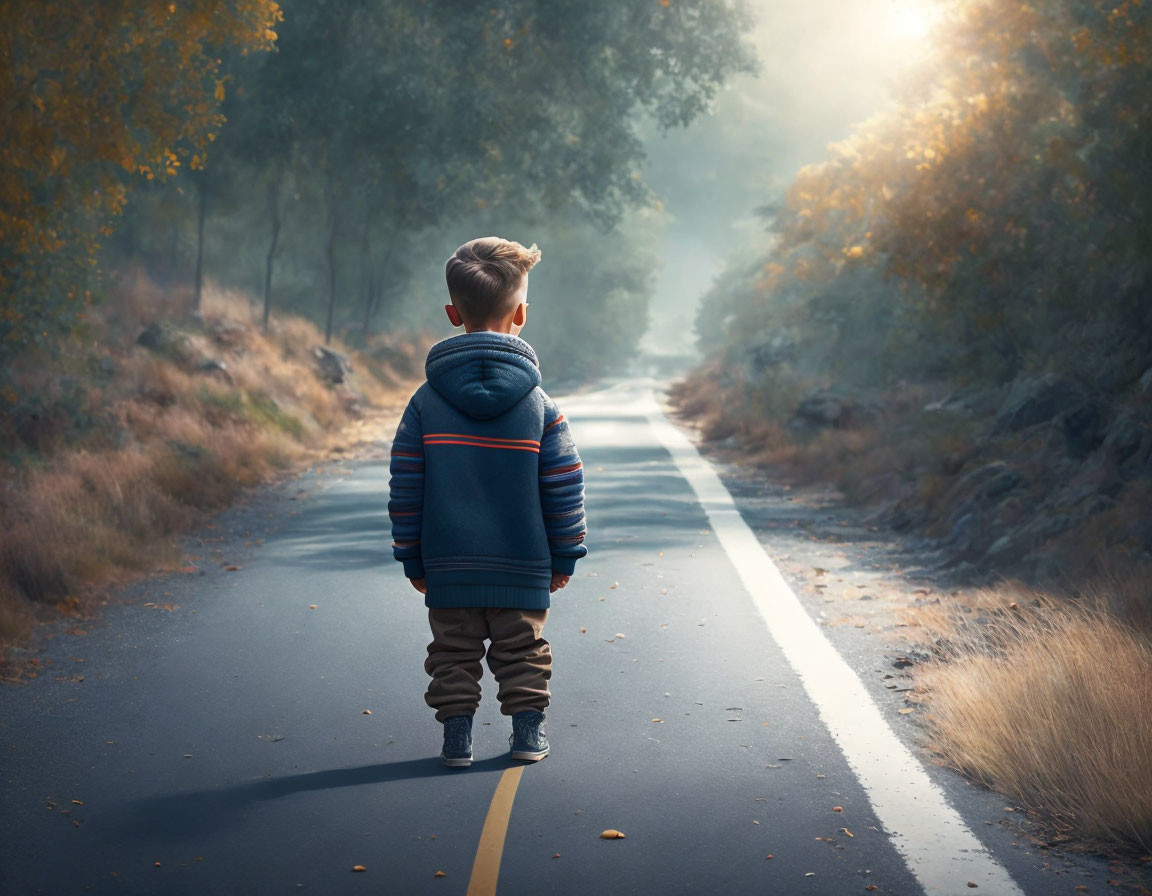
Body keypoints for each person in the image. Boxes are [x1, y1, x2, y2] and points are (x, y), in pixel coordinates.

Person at [388, 236, 587, 767]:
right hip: (523, 563)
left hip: (448, 561)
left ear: (453, 313)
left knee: (452, 654)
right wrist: (565, 554)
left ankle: (457, 740)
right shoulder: (540, 406)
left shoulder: (425, 403)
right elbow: (564, 483)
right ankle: (527, 734)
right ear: (521, 313)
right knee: (523, 652)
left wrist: (412, 554)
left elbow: (405, 483)